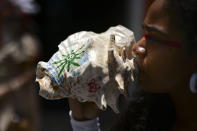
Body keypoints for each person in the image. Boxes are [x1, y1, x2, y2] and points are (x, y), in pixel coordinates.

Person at [68, 0, 197, 130]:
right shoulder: (146, 116)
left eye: (154, 37)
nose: (137, 48)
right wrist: (85, 123)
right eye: (144, 33)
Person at [0, 0, 40, 131]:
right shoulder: (7, 41)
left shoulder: (27, 42)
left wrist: (9, 87)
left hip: (18, 102)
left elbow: (31, 72)